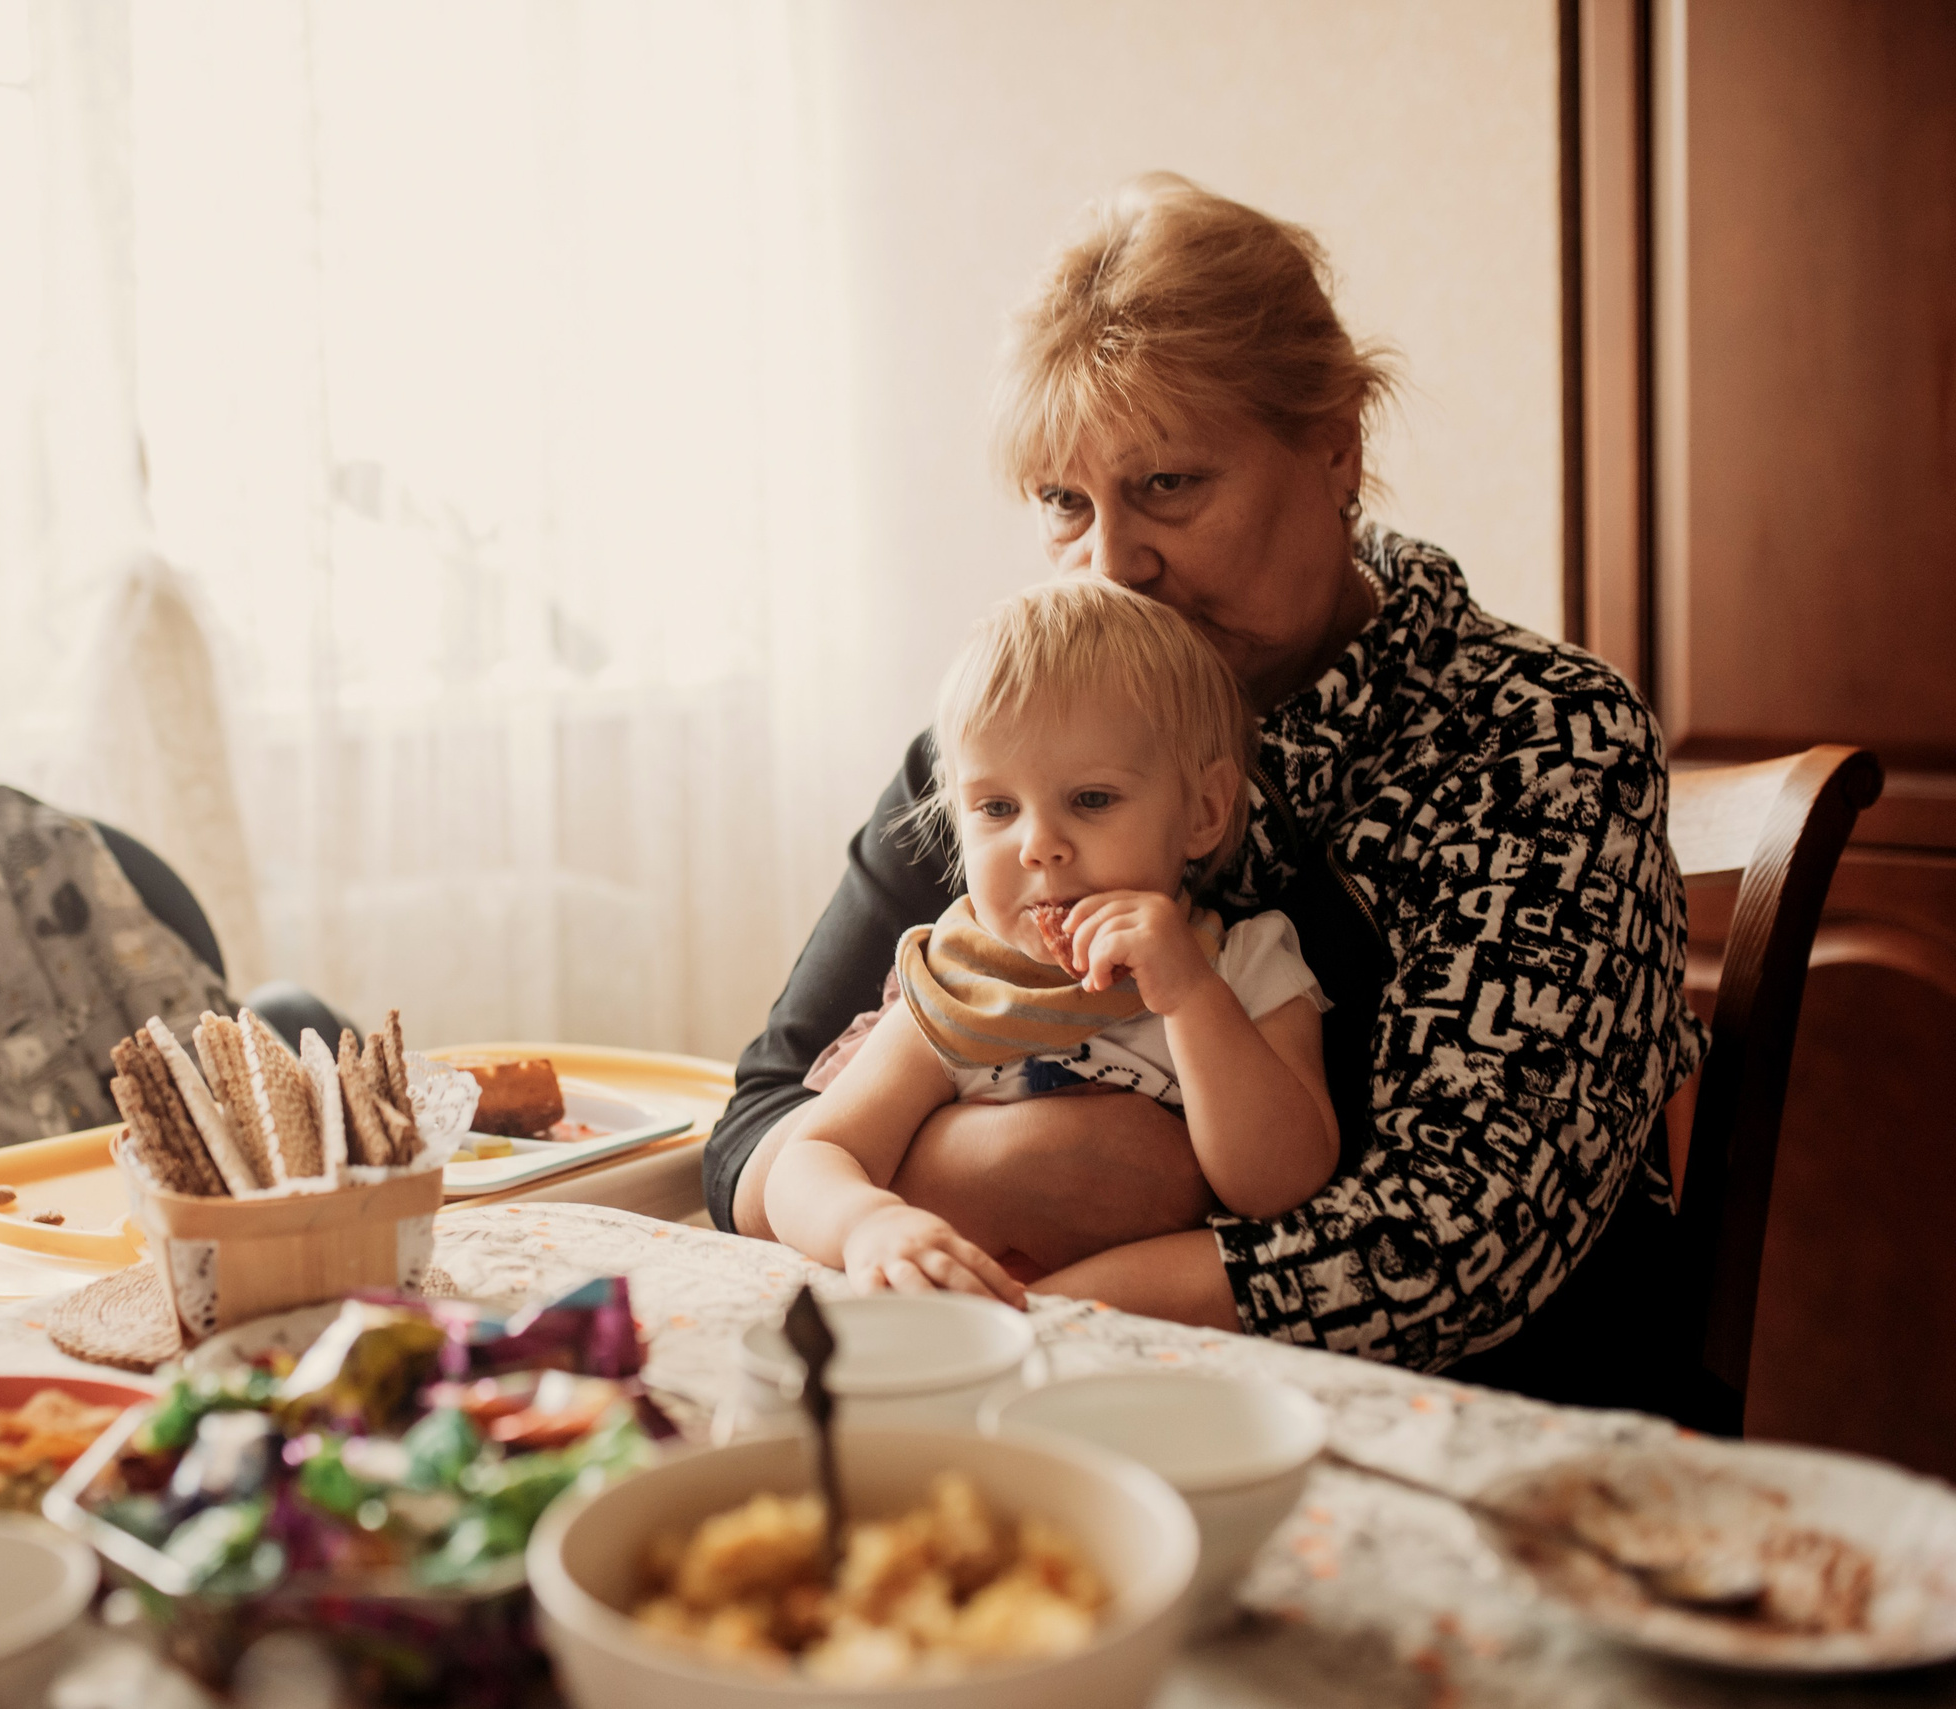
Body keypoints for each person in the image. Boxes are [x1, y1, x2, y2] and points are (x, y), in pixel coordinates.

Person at [708, 174, 1707, 1375]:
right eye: (1064, 502)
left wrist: (1037, 1304)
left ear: (1335, 447)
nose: (1111, 563)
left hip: (1468, 1411)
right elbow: (757, 1126)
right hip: (1066, 1390)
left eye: (1167, 485)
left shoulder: (1535, 743)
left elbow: (1447, 1246)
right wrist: (1015, 1170)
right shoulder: (1015, 753)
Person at [767, 577, 1336, 1303]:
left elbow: (1281, 1186)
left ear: (1204, 810)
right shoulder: (961, 990)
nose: (1038, 845)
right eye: (996, 807)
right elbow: (808, 1159)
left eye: (1091, 799)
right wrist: (867, 1223)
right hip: (966, 1332)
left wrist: (1191, 996)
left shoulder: (1245, 966)